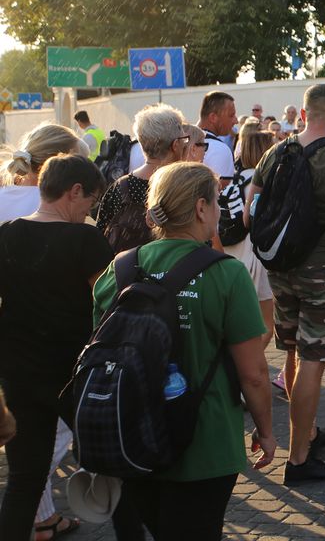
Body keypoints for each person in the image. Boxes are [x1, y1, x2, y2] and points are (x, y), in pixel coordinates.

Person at [93, 163, 275, 539]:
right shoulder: (227, 274)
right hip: (206, 443)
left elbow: (97, 349)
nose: (220, 211)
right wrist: (266, 430)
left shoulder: (120, 269)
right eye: (217, 202)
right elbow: (254, 374)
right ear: (200, 208)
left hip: (132, 435)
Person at [246, 84, 325, 485]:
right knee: (313, 361)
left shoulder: (275, 153)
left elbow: (250, 215)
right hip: (324, 275)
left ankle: (309, 432)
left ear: (303, 113)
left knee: (293, 352)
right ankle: (299, 459)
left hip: (281, 271)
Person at [0, 155, 113, 541]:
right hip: (75, 376)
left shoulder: (7, 234)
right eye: (90, 202)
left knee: (24, 480)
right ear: (74, 191)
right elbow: (110, 305)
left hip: (19, 374)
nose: (89, 212)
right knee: (115, 468)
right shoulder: (85, 240)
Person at [96, 105, 189, 254]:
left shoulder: (119, 187)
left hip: (126, 267)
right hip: (173, 265)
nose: (186, 144)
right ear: (175, 145)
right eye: (184, 139)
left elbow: (100, 236)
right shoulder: (185, 187)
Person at [225, 130, 276, 350]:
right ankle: (245, 363)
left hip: (233, 252)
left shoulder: (234, 178)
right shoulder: (262, 180)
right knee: (266, 325)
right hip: (255, 256)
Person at [197, 92, 237, 185]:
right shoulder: (220, 149)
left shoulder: (182, 142)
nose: (236, 120)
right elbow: (221, 191)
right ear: (213, 117)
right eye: (231, 115)